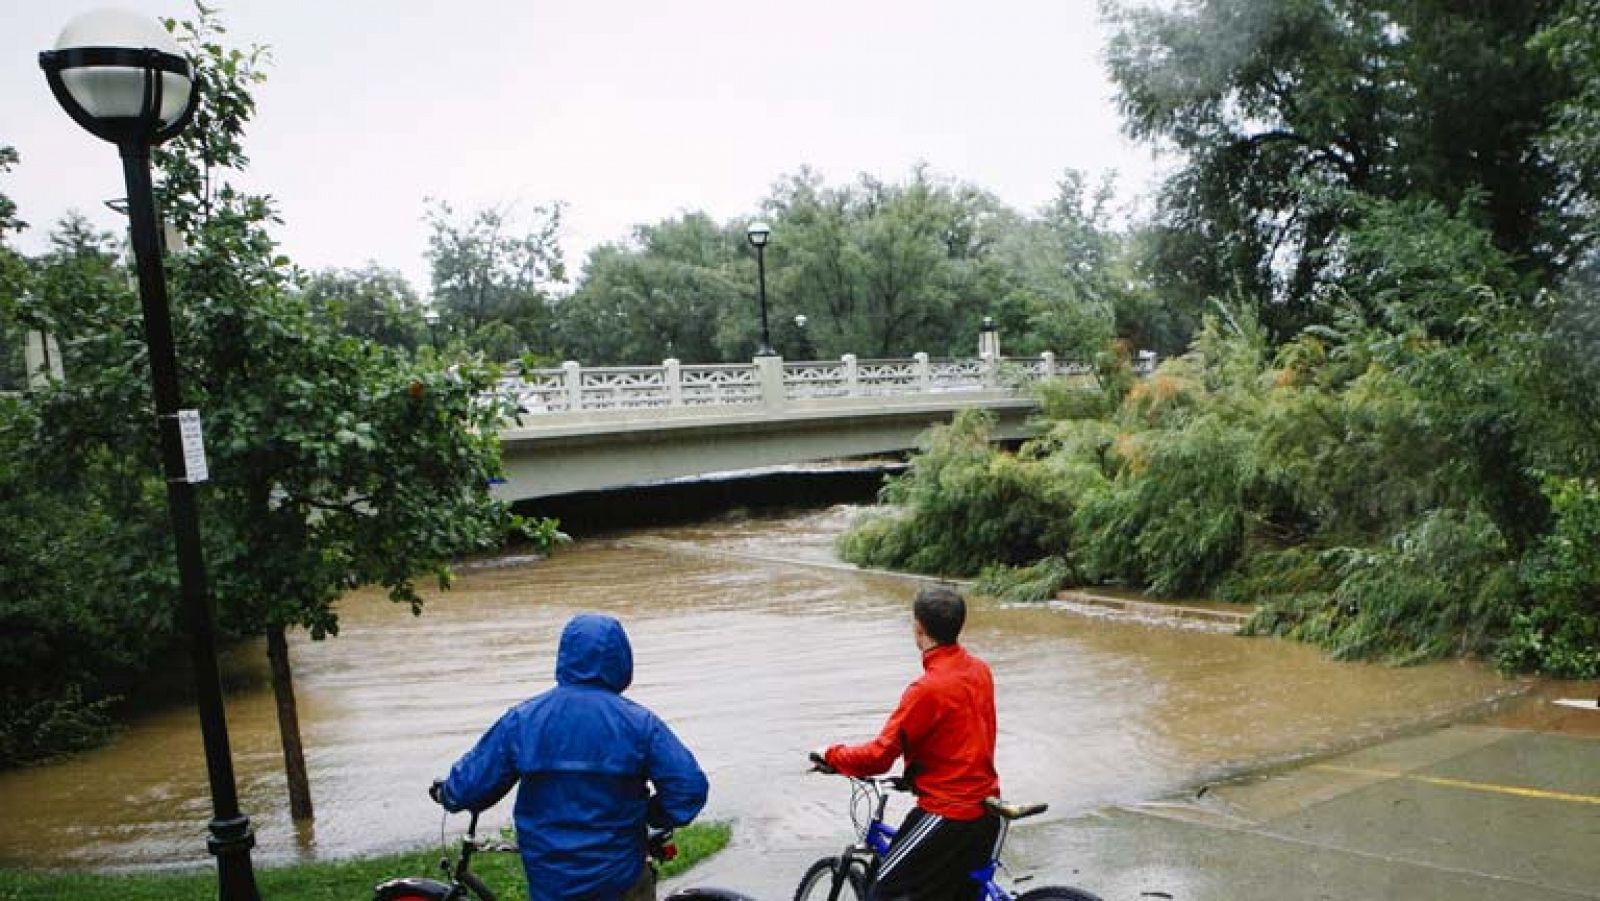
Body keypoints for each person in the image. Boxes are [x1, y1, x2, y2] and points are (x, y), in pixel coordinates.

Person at [432, 613, 708, 901]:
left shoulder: (524, 720)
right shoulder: (640, 724)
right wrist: (650, 816)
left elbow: (471, 787)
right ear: (622, 659)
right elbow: (689, 789)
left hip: (551, 880)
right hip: (621, 875)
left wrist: (447, 793)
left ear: (565, 656)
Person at [817, 585, 1000, 901]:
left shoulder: (927, 689)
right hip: (985, 811)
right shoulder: (980, 671)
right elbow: (959, 740)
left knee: (883, 891)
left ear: (918, 628)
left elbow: (879, 756)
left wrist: (832, 755)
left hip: (947, 815)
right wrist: (914, 776)